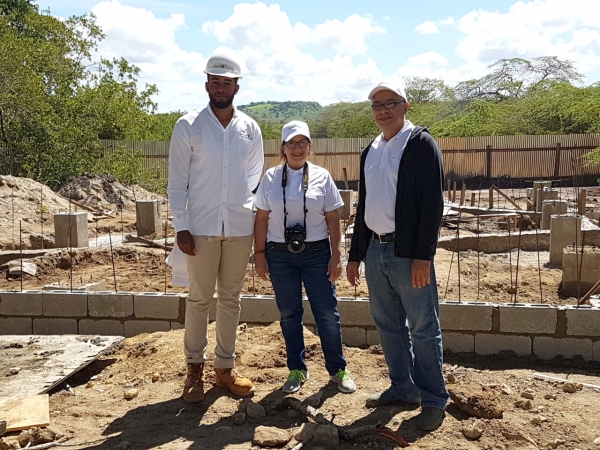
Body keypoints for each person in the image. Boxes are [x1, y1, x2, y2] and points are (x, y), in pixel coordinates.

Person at [346, 81, 448, 430]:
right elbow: (364, 207)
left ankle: (434, 399)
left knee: (422, 326)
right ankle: (403, 388)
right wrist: (355, 255)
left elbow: (433, 203)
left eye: (391, 103)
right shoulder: (370, 150)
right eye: (377, 105)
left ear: (406, 106)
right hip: (376, 249)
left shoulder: (420, 143)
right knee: (388, 325)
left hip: (407, 254)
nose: (383, 110)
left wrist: (424, 256)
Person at [167, 54, 264, 403]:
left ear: (237, 86)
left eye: (227, 82)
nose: (221, 87)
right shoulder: (188, 126)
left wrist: (241, 207)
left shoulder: (250, 129)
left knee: (231, 299)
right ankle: (194, 367)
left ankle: (224, 368)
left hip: (239, 227)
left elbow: (253, 178)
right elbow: (177, 182)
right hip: (200, 228)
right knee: (198, 299)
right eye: (215, 81)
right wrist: (182, 226)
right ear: (206, 83)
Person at [254, 120, 356, 394]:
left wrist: (337, 255)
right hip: (280, 254)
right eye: (291, 143)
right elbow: (262, 218)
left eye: (302, 143)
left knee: (326, 312)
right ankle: (297, 370)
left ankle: (337, 369)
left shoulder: (322, 176)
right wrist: (259, 254)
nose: (297, 148)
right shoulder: (271, 178)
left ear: (310, 146)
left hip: (316, 253)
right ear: (283, 148)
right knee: (289, 313)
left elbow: (333, 218)